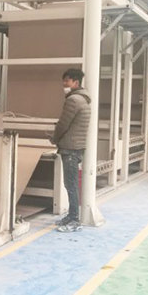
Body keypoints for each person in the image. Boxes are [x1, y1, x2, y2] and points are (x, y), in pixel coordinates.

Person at [51, 68, 91, 233]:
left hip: (70, 147)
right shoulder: (84, 99)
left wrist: (54, 138)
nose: (64, 84)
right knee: (71, 183)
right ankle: (71, 216)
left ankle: (74, 220)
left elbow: (63, 124)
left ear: (76, 82)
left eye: (67, 81)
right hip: (76, 146)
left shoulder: (73, 100)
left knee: (71, 184)